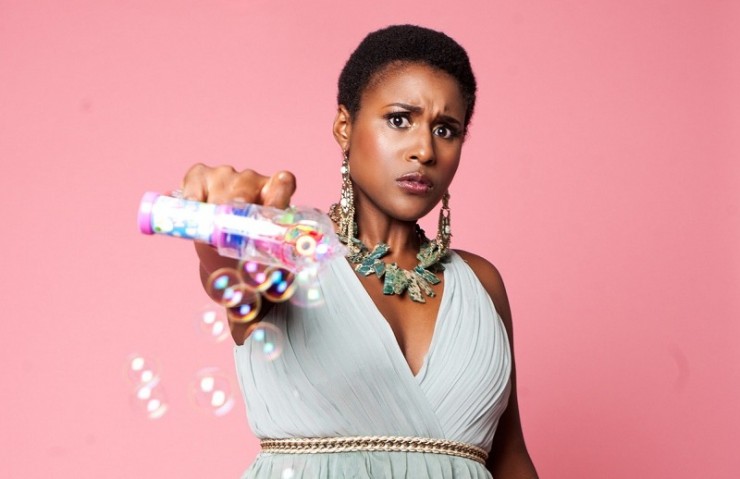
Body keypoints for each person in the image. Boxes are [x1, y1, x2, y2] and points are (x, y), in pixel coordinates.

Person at [181, 24, 538, 479]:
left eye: (446, 130)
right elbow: (229, 273)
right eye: (399, 119)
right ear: (344, 127)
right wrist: (222, 226)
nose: (425, 150)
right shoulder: (289, 246)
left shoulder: (482, 283)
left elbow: (509, 458)